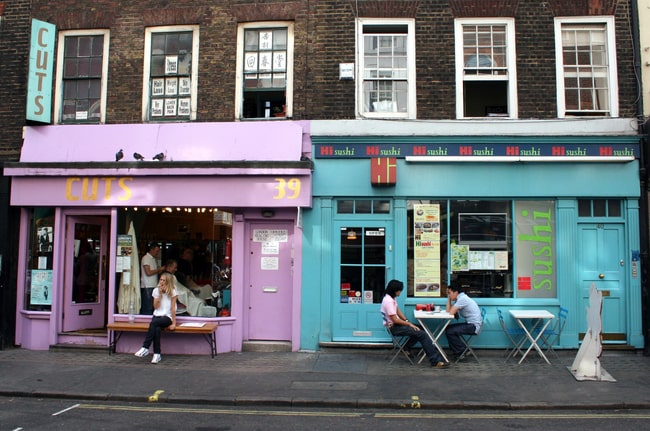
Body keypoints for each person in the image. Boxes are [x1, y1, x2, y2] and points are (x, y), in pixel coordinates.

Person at [380, 279, 449, 368]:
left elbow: (397, 310)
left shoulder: (391, 298)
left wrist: (406, 320)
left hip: (396, 325)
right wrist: (409, 324)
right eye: (399, 290)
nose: (400, 292)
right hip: (394, 327)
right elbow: (395, 319)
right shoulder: (389, 301)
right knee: (422, 334)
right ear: (395, 290)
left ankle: (406, 347)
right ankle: (435, 361)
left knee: (420, 328)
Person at [134, 272, 178, 364]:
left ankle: (145, 347)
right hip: (157, 315)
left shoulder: (173, 291)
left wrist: (174, 323)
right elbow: (155, 307)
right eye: (160, 280)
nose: (161, 282)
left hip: (167, 317)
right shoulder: (156, 291)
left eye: (164, 280)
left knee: (153, 323)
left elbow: (173, 308)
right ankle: (157, 354)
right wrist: (160, 295)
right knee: (156, 329)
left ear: (168, 282)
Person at [445, 285, 482, 360]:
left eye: (449, 293)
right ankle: (460, 350)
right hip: (471, 324)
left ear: (456, 292)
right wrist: (449, 298)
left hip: (473, 326)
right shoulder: (460, 298)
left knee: (450, 331)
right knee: (448, 328)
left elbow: (451, 312)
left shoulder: (462, 299)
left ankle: (461, 351)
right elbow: (449, 310)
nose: (449, 295)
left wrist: (449, 299)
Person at [140, 243, 164, 315]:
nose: (157, 253)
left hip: (153, 285)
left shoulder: (154, 259)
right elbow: (148, 272)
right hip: (147, 285)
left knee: (152, 306)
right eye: (156, 251)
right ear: (152, 249)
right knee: (148, 306)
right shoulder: (146, 258)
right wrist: (159, 269)